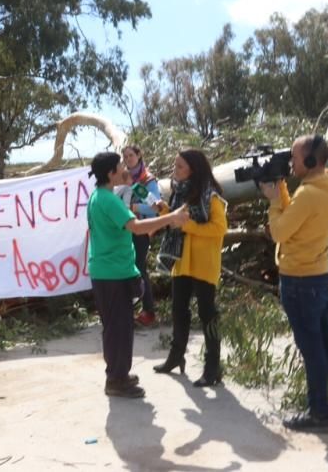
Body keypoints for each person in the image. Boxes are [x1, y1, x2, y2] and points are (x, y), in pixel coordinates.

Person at [259, 135, 328, 433]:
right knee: (327, 341)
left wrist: (274, 201)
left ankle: (319, 414)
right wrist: (283, 196)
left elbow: (279, 231)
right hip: (318, 273)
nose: (291, 162)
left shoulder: (308, 194)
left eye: (295, 157)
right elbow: (299, 218)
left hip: (300, 278)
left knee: (311, 347)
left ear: (312, 161)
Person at [87, 152, 189, 398]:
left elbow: (142, 210)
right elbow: (137, 227)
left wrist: (152, 204)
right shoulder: (109, 200)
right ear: (111, 173)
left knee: (115, 327)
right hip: (113, 273)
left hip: (108, 271)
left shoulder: (100, 195)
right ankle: (116, 380)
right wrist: (171, 218)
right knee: (119, 328)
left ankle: (118, 373)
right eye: (121, 164)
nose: (126, 167)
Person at [153, 149, 229, 388]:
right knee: (178, 311)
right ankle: (176, 357)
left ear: (193, 170)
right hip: (182, 261)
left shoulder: (212, 197)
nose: (174, 171)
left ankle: (212, 367)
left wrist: (188, 227)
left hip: (204, 264)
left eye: (179, 167)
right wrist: (165, 212)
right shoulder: (179, 193)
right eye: (175, 166)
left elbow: (219, 229)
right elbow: (178, 221)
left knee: (208, 315)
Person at [122, 145, 162, 326]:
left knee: (139, 267)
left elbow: (156, 208)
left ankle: (149, 311)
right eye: (125, 156)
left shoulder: (147, 180)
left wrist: (134, 208)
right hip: (125, 231)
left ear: (139, 156)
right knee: (125, 269)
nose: (128, 159)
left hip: (141, 230)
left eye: (131, 155)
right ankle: (128, 310)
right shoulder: (123, 178)